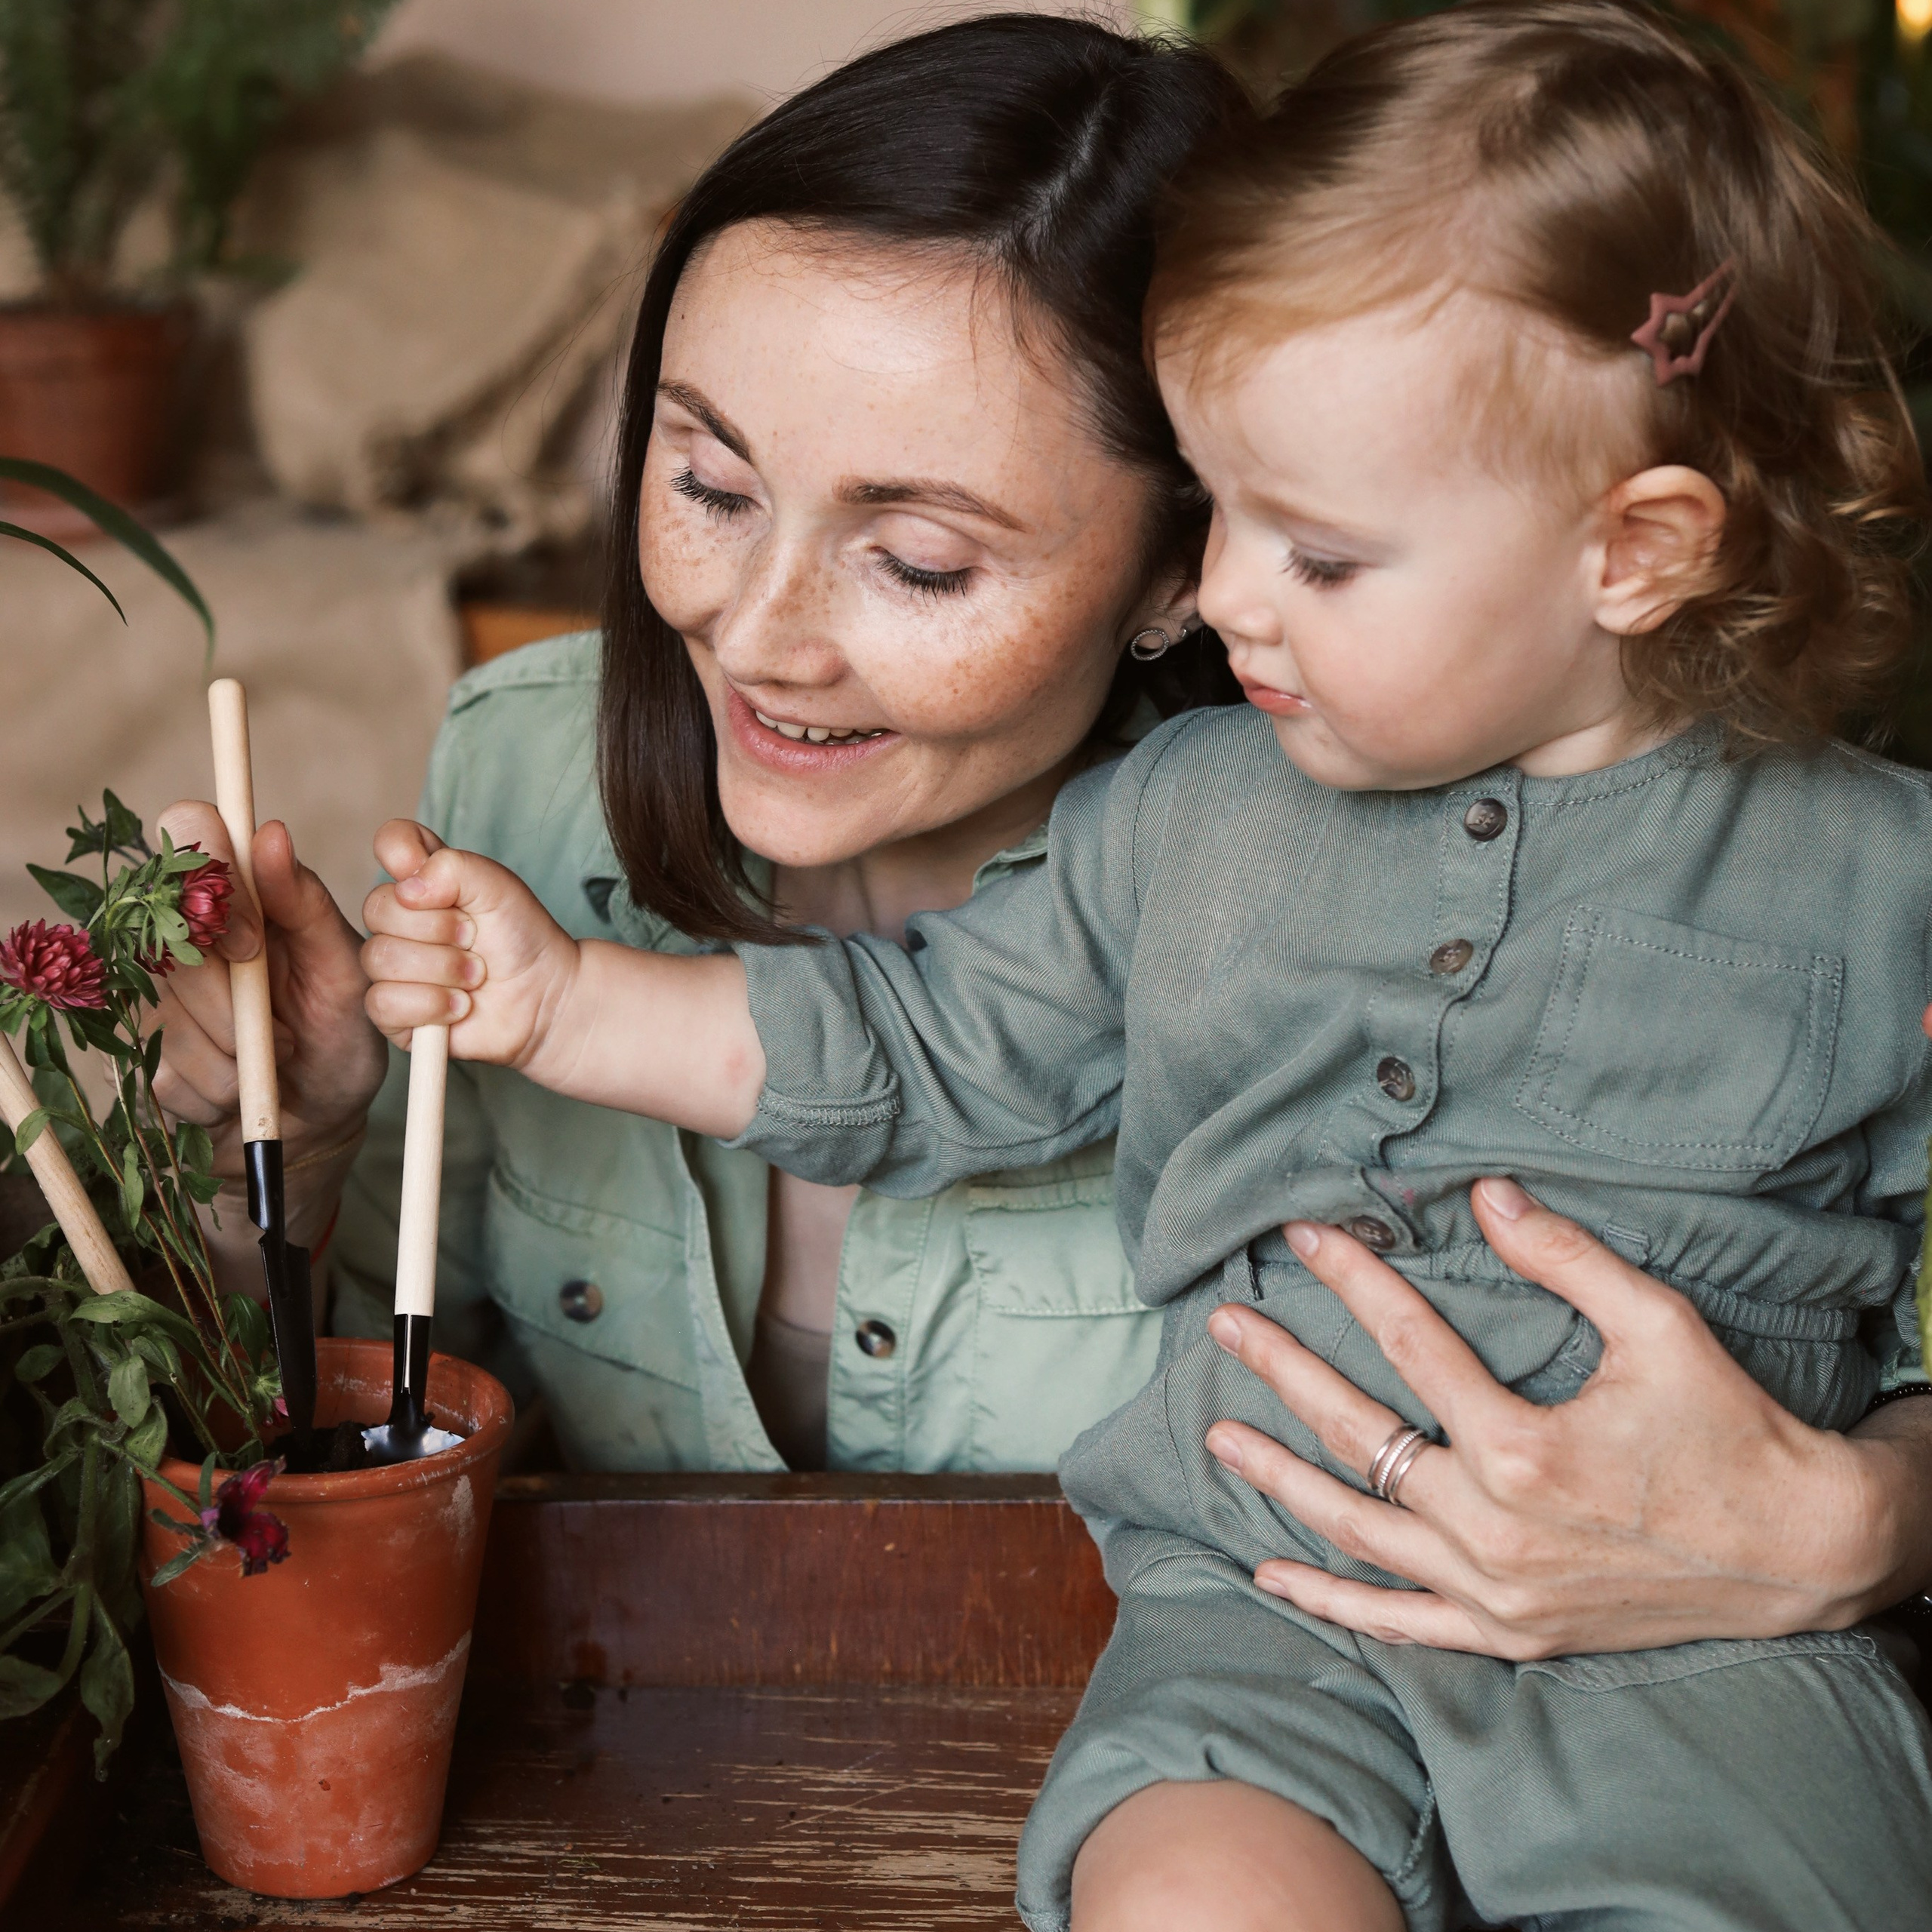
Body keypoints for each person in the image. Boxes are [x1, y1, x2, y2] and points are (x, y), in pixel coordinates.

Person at [360, 5, 1932, 1928]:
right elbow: (916, 1043)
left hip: (1720, 1675)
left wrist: (1858, 1514)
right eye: (702, 481)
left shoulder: (1882, 873)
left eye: (1317, 551)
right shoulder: (1180, 814)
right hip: (1253, 1629)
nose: (1234, 589)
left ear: (1632, 550)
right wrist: (555, 1000)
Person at [152, 14, 1245, 1474]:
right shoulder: (526, 766)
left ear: (1188, 564)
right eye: (711, 485)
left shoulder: (1315, 912)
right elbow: (343, 1467)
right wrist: (292, 1152)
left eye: (919, 560)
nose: (755, 635)